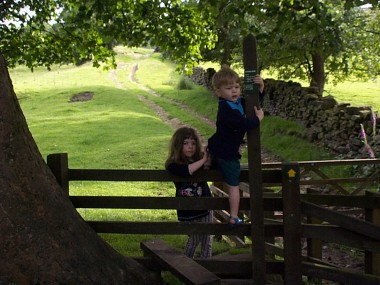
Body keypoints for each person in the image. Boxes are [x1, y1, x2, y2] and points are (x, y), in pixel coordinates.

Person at [208, 65, 265, 227]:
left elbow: (252, 103)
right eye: (229, 88)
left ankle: (208, 161)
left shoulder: (237, 102)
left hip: (220, 145)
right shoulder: (226, 109)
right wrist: (258, 119)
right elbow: (242, 124)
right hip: (227, 152)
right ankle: (233, 217)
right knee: (233, 185)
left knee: (214, 164)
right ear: (218, 92)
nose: (234, 91)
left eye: (237, 87)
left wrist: (260, 89)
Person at [165, 127, 213, 258]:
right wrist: (203, 160)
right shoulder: (172, 165)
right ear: (178, 145)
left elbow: (212, 166)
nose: (190, 147)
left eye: (193, 143)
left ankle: (207, 266)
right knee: (194, 238)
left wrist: (208, 157)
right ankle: (186, 266)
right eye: (185, 143)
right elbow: (187, 171)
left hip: (205, 206)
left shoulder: (200, 159)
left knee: (207, 239)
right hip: (188, 209)